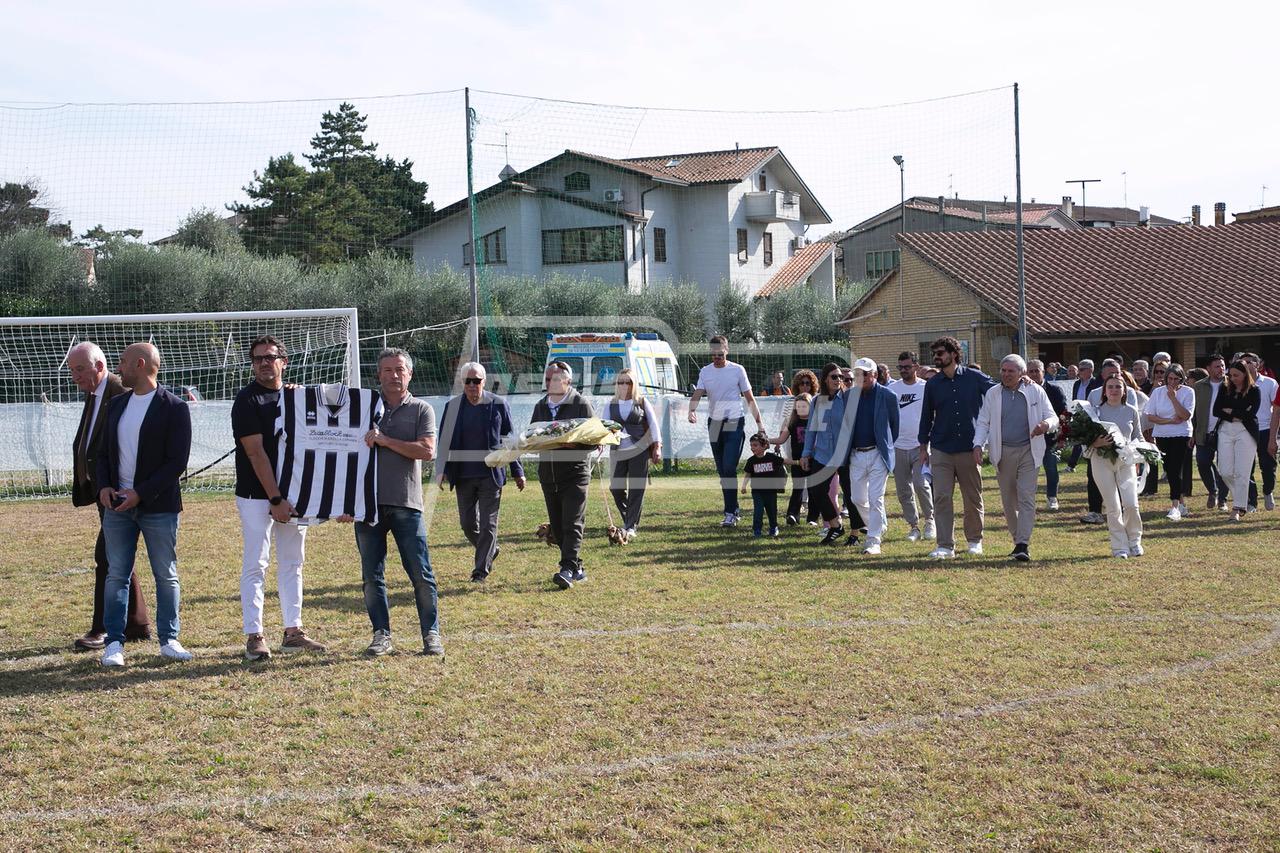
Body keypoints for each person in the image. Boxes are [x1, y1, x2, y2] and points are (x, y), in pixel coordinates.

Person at [95, 343, 193, 667]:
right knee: (116, 575)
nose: (118, 369)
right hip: (116, 509)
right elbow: (103, 454)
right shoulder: (116, 404)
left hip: (158, 506)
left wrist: (140, 493)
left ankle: (170, 640)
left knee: (165, 575)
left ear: (140, 364)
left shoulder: (175, 407)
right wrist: (105, 487)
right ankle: (113, 644)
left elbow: (176, 462)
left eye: (122, 363)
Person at [231, 335, 325, 661]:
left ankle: (293, 631)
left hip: (294, 496)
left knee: (293, 562)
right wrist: (275, 498)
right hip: (259, 496)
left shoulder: (297, 397)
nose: (264, 363)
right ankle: (254, 635)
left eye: (270, 357)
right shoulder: (246, 400)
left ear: (284, 362)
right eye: (257, 359)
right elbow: (255, 453)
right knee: (256, 563)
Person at [350, 348, 442, 656]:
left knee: (420, 573)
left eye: (400, 369)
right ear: (378, 375)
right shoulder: (362, 408)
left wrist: (385, 439)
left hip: (406, 503)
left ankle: (431, 635)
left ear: (410, 374)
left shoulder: (421, 409)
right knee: (371, 577)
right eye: (387, 370)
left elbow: (427, 451)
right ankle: (381, 635)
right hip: (367, 507)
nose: (394, 375)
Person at [67, 342, 151, 651]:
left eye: (79, 370)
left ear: (99, 367)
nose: (74, 377)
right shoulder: (95, 392)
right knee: (118, 555)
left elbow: (129, 441)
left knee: (108, 557)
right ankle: (138, 623)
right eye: (72, 371)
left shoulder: (118, 390)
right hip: (104, 492)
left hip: (120, 491)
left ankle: (102, 628)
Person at [437, 361, 525, 582]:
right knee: (468, 525)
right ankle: (489, 550)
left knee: (488, 524)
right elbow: (444, 442)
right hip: (463, 475)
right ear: (462, 383)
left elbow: (510, 440)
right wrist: (441, 470)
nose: (472, 385)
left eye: (477, 381)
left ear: (484, 382)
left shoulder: (498, 404)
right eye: (468, 381)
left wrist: (517, 470)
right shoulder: (452, 407)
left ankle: (480, 571)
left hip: (490, 475)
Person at [973, 355, 1057, 562]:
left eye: (1011, 371)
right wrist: (977, 444)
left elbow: (1052, 416)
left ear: (1022, 373)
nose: (1006, 374)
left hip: (1029, 451)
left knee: (1026, 497)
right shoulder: (993, 393)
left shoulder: (1035, 390)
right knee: (1009, 501)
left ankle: (1023, 544)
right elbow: (983, 422)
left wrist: (1045, 425)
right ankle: (1017, 539)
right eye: (1003, 370)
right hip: (1003, 453)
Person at [918, 337, 996, 559]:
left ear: (954, 354)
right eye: (935, 354)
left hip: (969, 448)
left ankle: (974, 541)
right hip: (941, 448)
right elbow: (926, 417)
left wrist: (1023, 381)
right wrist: (923, 447)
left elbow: (998, 391)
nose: (936, 357)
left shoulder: (974, 377)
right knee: (941, 497)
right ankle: (945, 545)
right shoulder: (932, 384)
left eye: (941, 353)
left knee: (972, 497)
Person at [688, 336, 763, 527]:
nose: (717, 358)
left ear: (727, 350)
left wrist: (760, 424)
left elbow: (749, 398)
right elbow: (698, 393)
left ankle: (730, 512)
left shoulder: (737, 370)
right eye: (713, 355)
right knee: (723, 472)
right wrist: (691, 410)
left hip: (734, 423)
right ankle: (732, 511)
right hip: (714, 424)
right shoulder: (705, 371)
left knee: (729, 468)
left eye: (720, 354)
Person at [535, 361, 598, 590]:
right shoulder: (541, 405)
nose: (551, 381)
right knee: (558, 526)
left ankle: (567, 569)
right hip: (548, 475)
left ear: (568, 381)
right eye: (548, 377)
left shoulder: (581, 403)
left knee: (572, 522)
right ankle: (577, 567)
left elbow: (595, 439)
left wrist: (574, 446)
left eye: (556, 377)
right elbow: (534, 435)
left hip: (575, 473)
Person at [845, 357, 899, 555]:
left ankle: (873, 540)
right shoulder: (848, 396)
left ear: (875, 375)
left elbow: (895, 426)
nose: (861, 377)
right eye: (858, 373)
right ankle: (879, 523)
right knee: (857, 498)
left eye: (865, 373)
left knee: (876, 498)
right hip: (856, 454)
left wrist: (886, 447)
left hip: (878, 453)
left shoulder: (888, 396)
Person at [1087, 375, 1145, 558]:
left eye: (1117, 387)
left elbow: (1138, 436)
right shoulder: (1095, 412)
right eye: (1110, 387)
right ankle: (1119, 547)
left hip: (1126, 462)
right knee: (1113, 507)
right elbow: (1084, 441)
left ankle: (1135, 541)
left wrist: (1143, 451)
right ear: (1104, 391)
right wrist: (1096, 442)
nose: (1114, 390)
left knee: (1131, 504)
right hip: (1101, 462)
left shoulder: (1131, 411)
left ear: (1124, 391)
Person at [800, 363, 853, 545]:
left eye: (841, 377)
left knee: (850, 494)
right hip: (822, 453)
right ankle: (836, 525)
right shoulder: (817, 401)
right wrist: (806, 453)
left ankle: (855, 533)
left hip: (845, 454)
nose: (839, 380)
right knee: (816, 489)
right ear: (825, 379)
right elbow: (811, 429)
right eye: (834, 377)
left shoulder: (847, 399)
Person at [606, 367, 661, 542]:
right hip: (618, 451)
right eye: (620, 382)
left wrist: (657, 448)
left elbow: (653, 426)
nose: (623, 385)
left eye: (627, 381)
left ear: (633, 384)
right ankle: (629, 519)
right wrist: (600, 442)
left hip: (640, 450)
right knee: (615, 488)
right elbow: (603, 426)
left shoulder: (642, 402)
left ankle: (630, 527)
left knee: (636, 490)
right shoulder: (611, 403)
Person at [889, 351, 935, 540]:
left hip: (920, 446)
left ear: (916, 367)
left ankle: (930, 521)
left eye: (907, 367)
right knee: (903, 490)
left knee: (920, 484)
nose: (904, 371)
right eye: (900, 367)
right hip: (898, 446)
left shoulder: (927, 388)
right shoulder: (893, 389)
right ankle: (914, 526)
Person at [1144, 363, 1195, 520]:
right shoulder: (1158, 392)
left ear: (1182, 379)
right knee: (1168, 468)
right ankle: (1181, 504)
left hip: (1181, 435)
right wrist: (1168, 421)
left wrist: (1173, 398)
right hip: (1162, 435)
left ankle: (1174, 506)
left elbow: (1185, 415)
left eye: (1176, 379)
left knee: (1175, 470)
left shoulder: (1188, 392)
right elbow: (1150, 415)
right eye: (1169, 379)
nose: (1172, 382)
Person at [1212, 360, 1260, 522]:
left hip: (1246, 432)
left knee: (1242, 473)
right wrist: (1237, 413)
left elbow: (1251, 414)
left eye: (1236, 375)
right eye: (1231, 375)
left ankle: (1237, 508)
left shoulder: (1254, 390)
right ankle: (1243, 498)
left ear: (1245, 374)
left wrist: (1231, 410)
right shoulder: (1224, 387)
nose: (1232, 378)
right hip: (1225, 431)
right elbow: (1216, 410)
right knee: (1225, 471)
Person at [1026, 359, 1067, 511]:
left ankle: (1052, 497)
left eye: (1037, 370)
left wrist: (1062, 436)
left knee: (1050, 468)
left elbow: (1063, 414)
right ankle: (1027, 499)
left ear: (1043, 372)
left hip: (1050, 437)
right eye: (1031, 371)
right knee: (1028, 471)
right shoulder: (1022, 390)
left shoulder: (1055, 390)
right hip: (1028, 437)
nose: (1034, 374)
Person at [770, 392, 814, 525]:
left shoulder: (815, 422)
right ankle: (792, 515)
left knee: (813, 488)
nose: (801, 409)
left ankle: (812, 517)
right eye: (798, 406)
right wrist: (767, 441)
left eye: (804, 406)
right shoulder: (792, 422)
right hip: (797, 461)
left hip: (813, 460)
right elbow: (781, 439)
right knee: (798, 487)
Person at [1192, 354, 1230, 510]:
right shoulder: (1199, 386)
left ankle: (1223, 499)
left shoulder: (1231, 384)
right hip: (1203, 432)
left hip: (1226, 433)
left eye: (1222, 365)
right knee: (1202, 462)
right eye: (1217, 366)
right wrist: (1193, 433)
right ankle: (1212, 491)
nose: (1221, 369)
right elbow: (1194, 411)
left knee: (1225, 467)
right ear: (1208, 368)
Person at [1240, 353, 1275, 511]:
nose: (1246, 364)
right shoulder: (1237, 384)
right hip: (1245, 430)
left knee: (1268, 465)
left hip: (1265, 429)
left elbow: (1276, 409)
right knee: (1247, 467)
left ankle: (1268, 491)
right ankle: (1251, 501)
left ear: (1258, 364)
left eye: (1250, 362)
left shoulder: (1269, 383)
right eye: (1243, 362)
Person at [740, 433, 786, 537]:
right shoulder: (751, 461)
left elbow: (784, 461)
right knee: (758, 511)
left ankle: (773, 527)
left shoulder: (771, 457)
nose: (752, 448)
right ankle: (757, 530)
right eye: (751, 445)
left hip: (771, 491)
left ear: (764, 445)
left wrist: (797, 462)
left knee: (772, 511)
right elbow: (748, 473)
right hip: (757, 492)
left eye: (755, 445)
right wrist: (744, 486)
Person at [1065, 359, 1095, 472]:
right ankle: (1071, 465)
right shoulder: (1077, 383)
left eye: (1082, 369)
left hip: (1091, 416)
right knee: (1078, 441)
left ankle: (1088, 465)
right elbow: (1074, 399)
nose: (1079, 372)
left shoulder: (1095, 383)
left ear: (1090, 370)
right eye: (1079, 369)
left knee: (1089, 442)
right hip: (1079, 415)